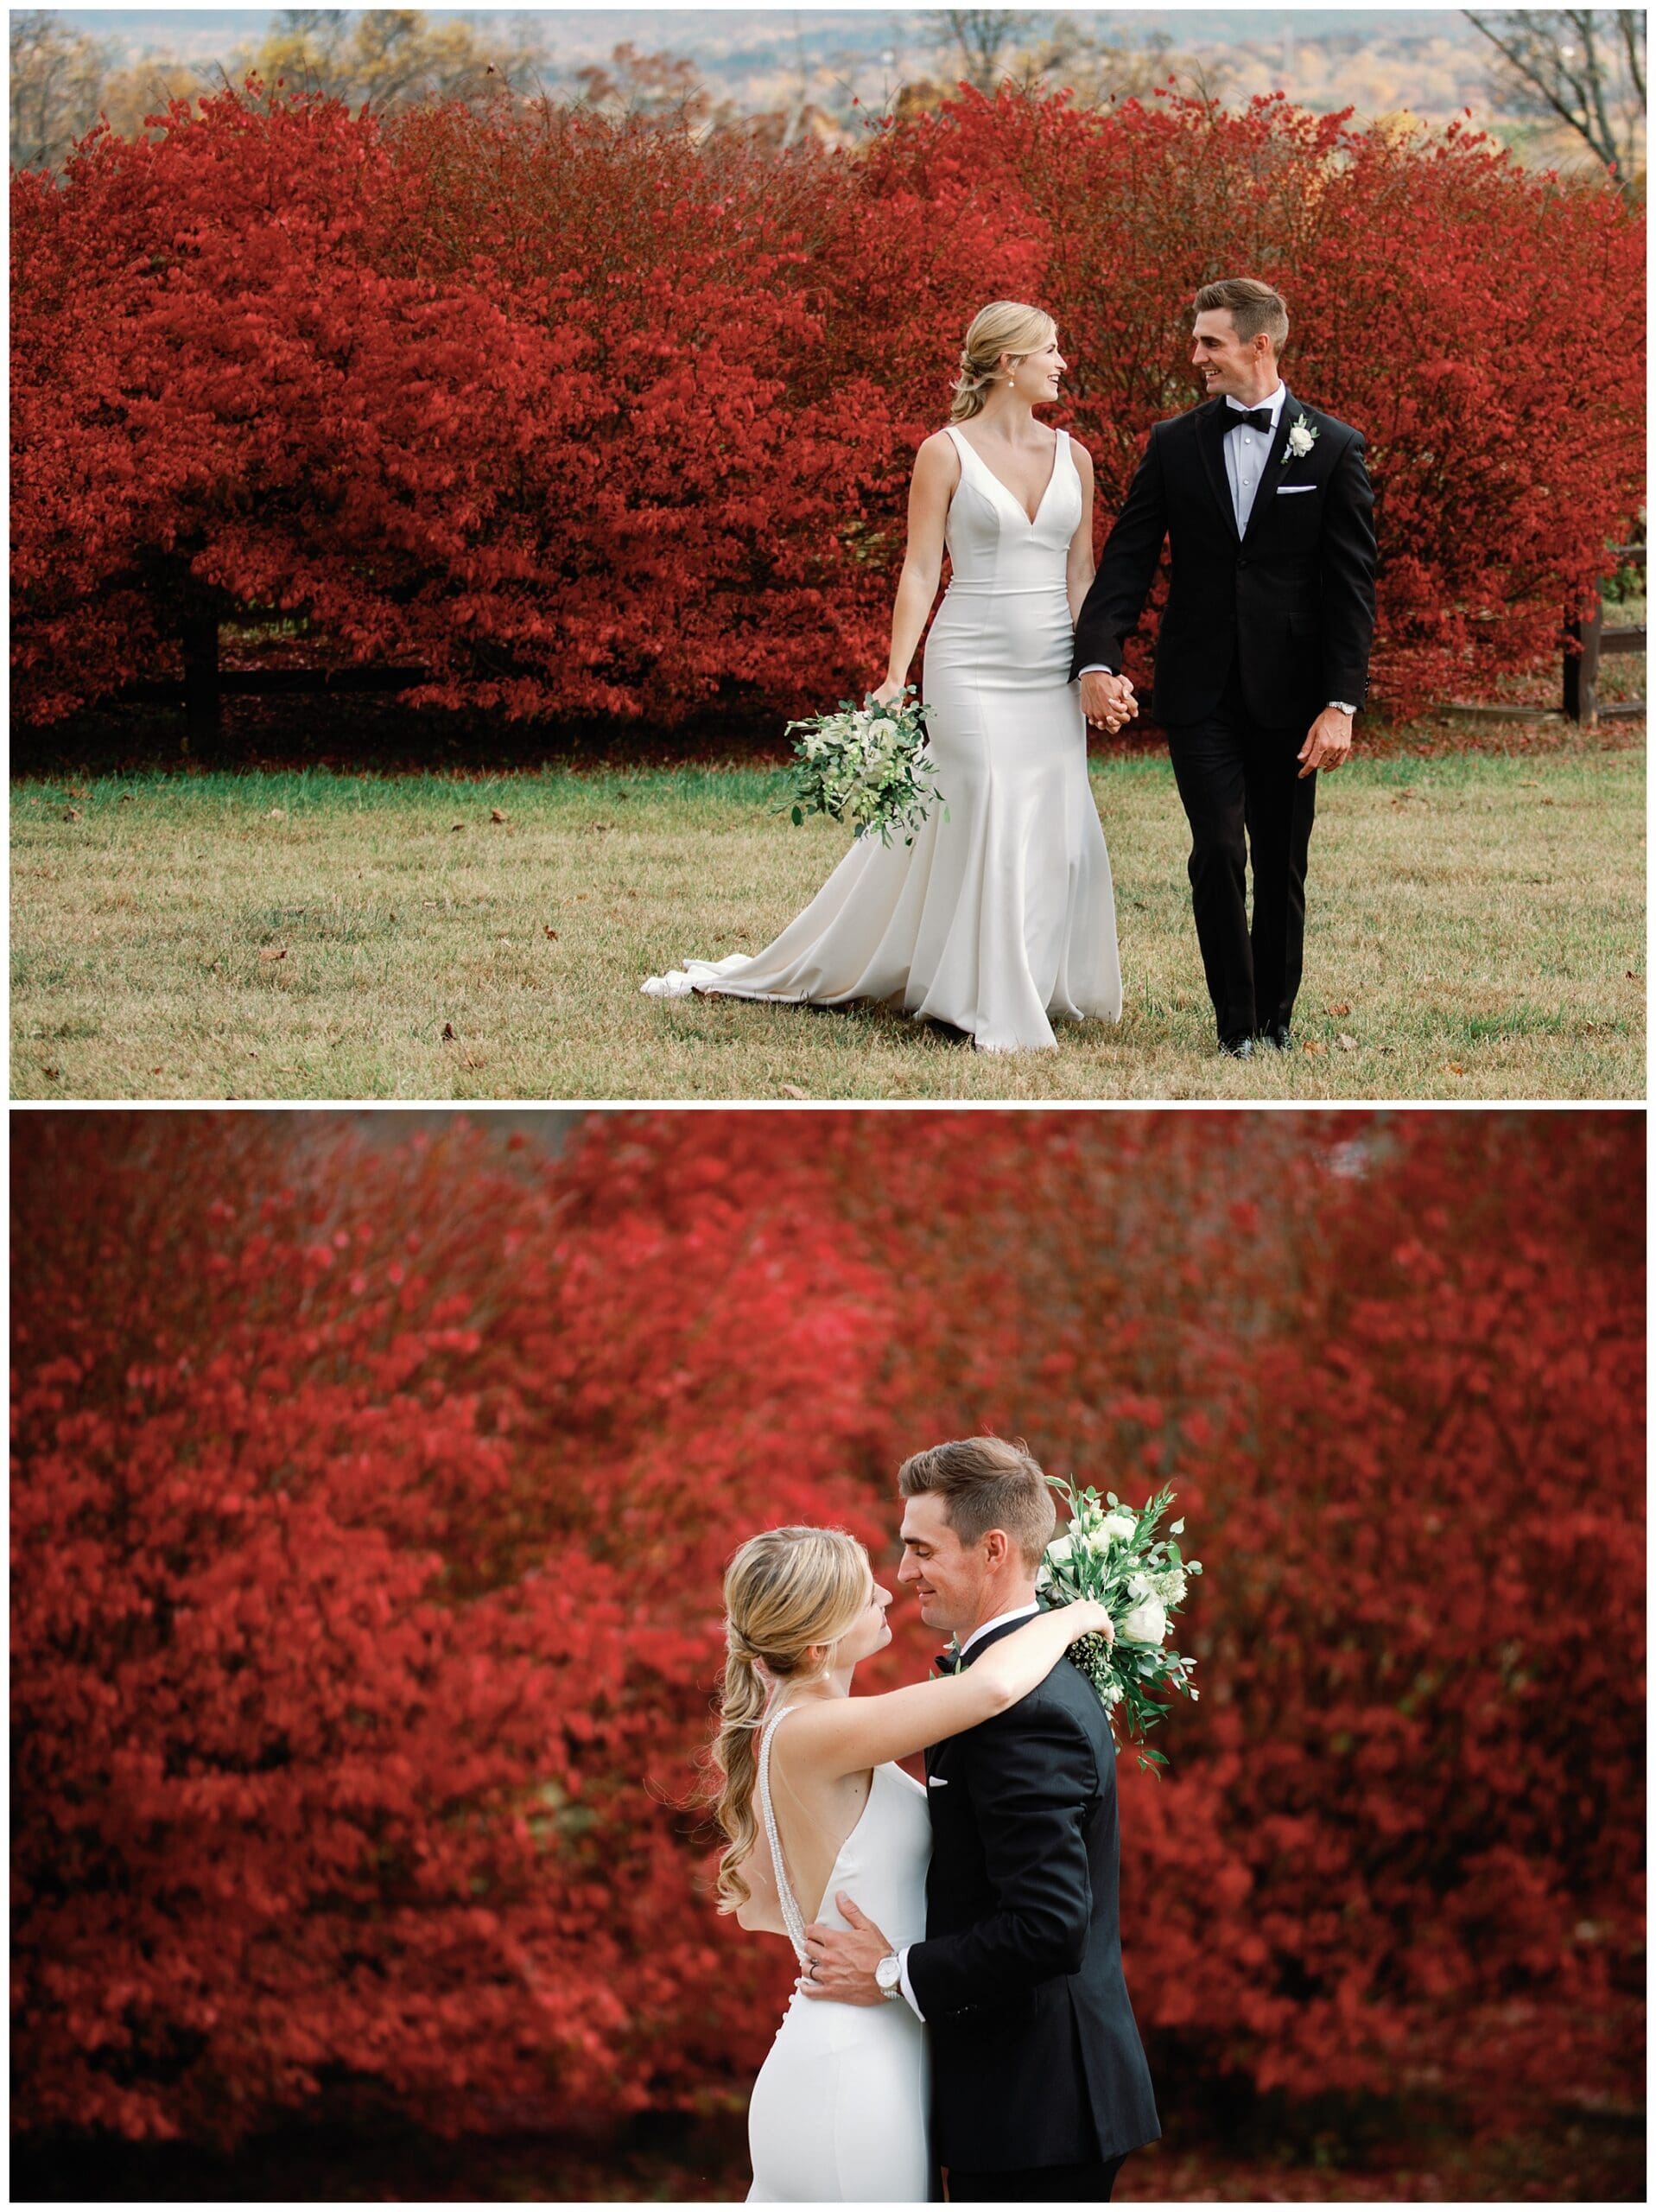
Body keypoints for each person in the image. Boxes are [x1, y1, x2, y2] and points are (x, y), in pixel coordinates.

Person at [643, 302, 1126, 1052]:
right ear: (1007, 363)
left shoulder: (1076, 457)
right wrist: (895, 672)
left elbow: (1081, 574)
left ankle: (1025, 978)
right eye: (1050, 350)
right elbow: (920, 567)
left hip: (1049, 669)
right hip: (968, 661)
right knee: (984, 807)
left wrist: (1097, 665)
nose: (1062, 363)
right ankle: (975, 998)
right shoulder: (945, 451)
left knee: (1051, 829)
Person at [799, 1438, 1161, 2202]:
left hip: (1037, 2109)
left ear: (992, 1550)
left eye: (920, 1549)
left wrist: (891, 1972)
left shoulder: (1024, 1712)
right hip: (1016, 2100)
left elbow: (1048, 1925)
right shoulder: (1012, 1683)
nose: (902, 1575)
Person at [714, 1520, 1113, 2199]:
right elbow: (988, 1690)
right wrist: (1074, 1614)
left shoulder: (808, 1728)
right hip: (852, 2065)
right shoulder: (813, 1730)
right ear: (817, 1643)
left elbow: (768, 1910)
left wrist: (876, 1950)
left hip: (879, 2038)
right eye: (857, 1590)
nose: (884, 1587)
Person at [1072, 276, 1377, 1059]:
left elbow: (1350, 591)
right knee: (1217, 850)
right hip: (1199, 687)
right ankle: (1233, 1027)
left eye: (1210, 341)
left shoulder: (1334, 447)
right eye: (1196, 339)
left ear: (1258, 345)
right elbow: (1128, 562)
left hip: (1293, 696)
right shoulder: (1173, 443)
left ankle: (1275, 1020)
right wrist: (1097, 658)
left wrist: (1340, 704)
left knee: (1280, 861)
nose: (1195, 354)